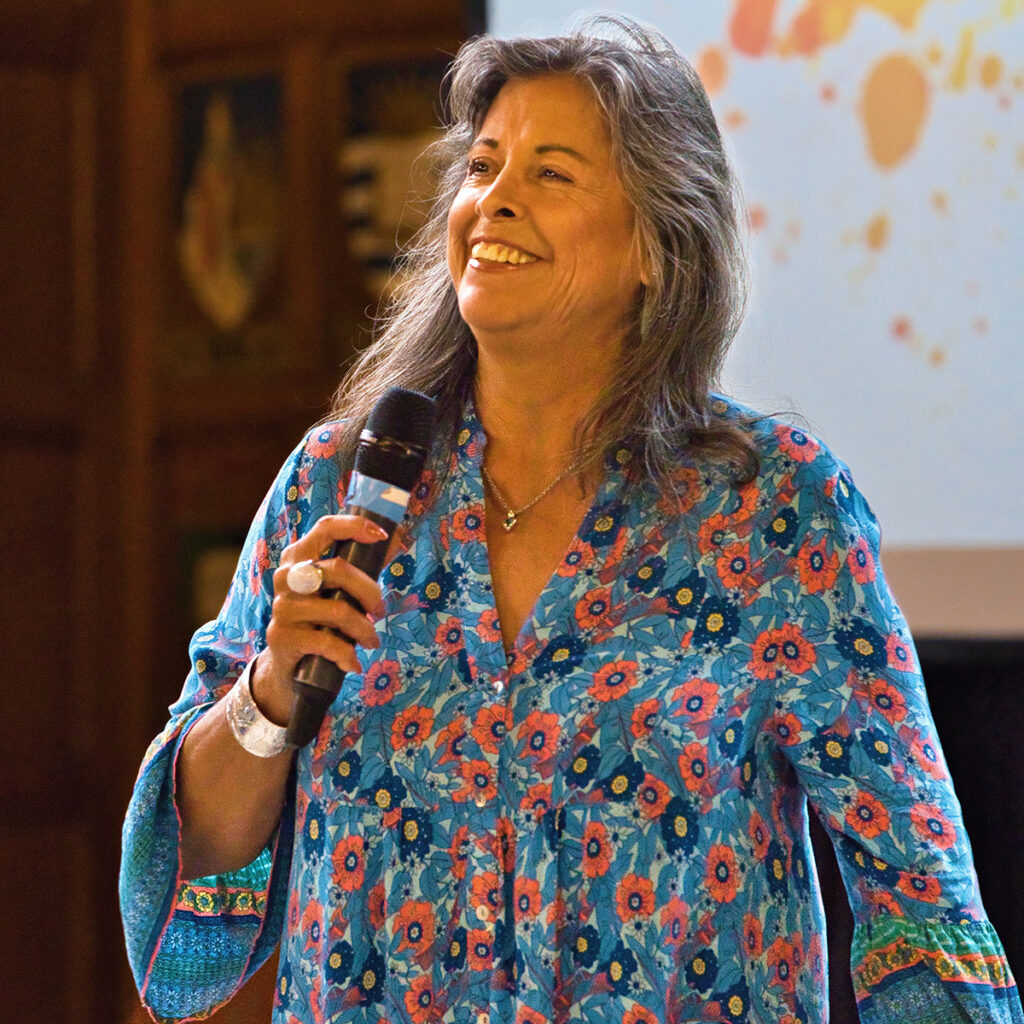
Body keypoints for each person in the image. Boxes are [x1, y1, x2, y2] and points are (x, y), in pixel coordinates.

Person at [120, 16, 1023, 1024]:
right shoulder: (337, 482)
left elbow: (917, 887)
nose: (493, 198)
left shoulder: (772, 510)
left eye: (550, 174)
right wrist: (270, 693)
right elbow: (195, 860)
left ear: (656, 244)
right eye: (483, 165)